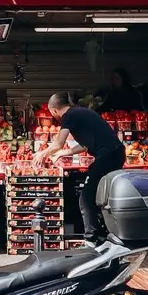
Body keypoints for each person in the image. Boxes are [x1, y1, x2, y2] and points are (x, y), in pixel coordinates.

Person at [39, 93, 128, 245]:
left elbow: (58, 143)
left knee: (86, 197)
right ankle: (103, 233)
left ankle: (91, 238)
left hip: (108, 156)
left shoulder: (68, 116)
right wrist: (62, 153)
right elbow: (86, 145)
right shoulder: (80, 113)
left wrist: (42, 154)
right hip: (115, 153)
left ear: (53, 110)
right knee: (97, 194)